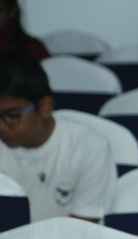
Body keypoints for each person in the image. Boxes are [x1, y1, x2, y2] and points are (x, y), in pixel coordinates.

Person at [0, 58, 115, 222]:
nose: (1, 127)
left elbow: (83, 228)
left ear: (45, 107)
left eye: (11, 116)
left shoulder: (90, 148)